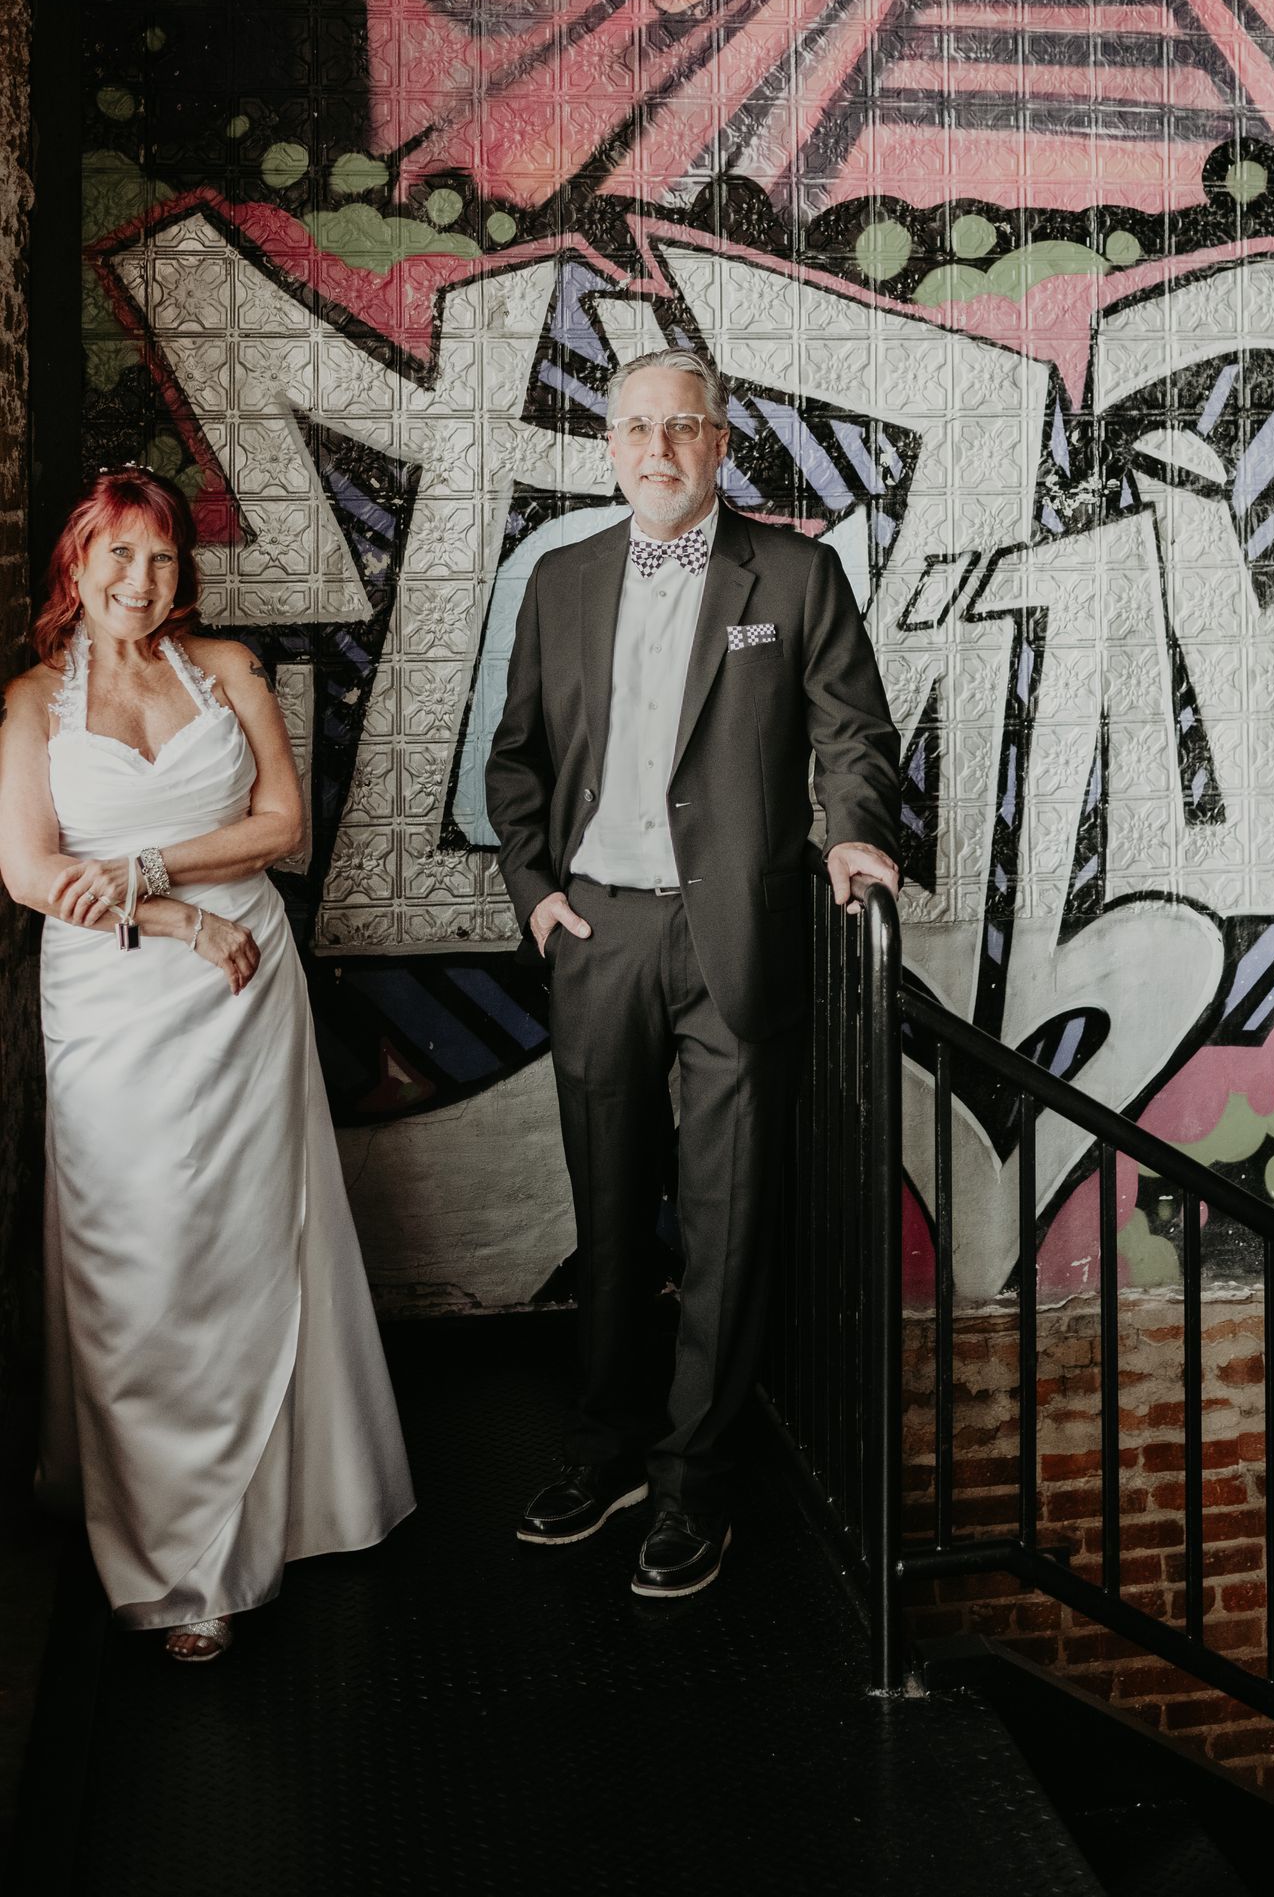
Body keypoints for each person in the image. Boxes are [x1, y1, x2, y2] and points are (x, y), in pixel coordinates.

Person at [487, 349, 900, 1598]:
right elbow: (513, 763)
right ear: (608, 446)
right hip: (599, 934)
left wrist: (855, 832)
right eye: (633, 429)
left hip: (736, 937)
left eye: (680, 427)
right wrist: (539, 898)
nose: (656, 449)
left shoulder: (796, 572)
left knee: (726, 1221)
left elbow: (854, 733)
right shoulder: (559, 581)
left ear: (721, 442)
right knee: (610, 1208)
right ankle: (608, 1447)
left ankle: (694, 1483)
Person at [0, 467, 413, 1663]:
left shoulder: (225, 671)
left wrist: (142, 870)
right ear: (74, 567)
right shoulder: (31, 701)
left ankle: (278, 1507)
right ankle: (171, 1551)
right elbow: (31, 875)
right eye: (117, 558)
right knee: (137, 1249)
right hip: (113, 1001)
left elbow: (280, 827)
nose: (140, 582)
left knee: (243, 1237)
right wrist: (176, 914)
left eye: (163, 560)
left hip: (244, 992)